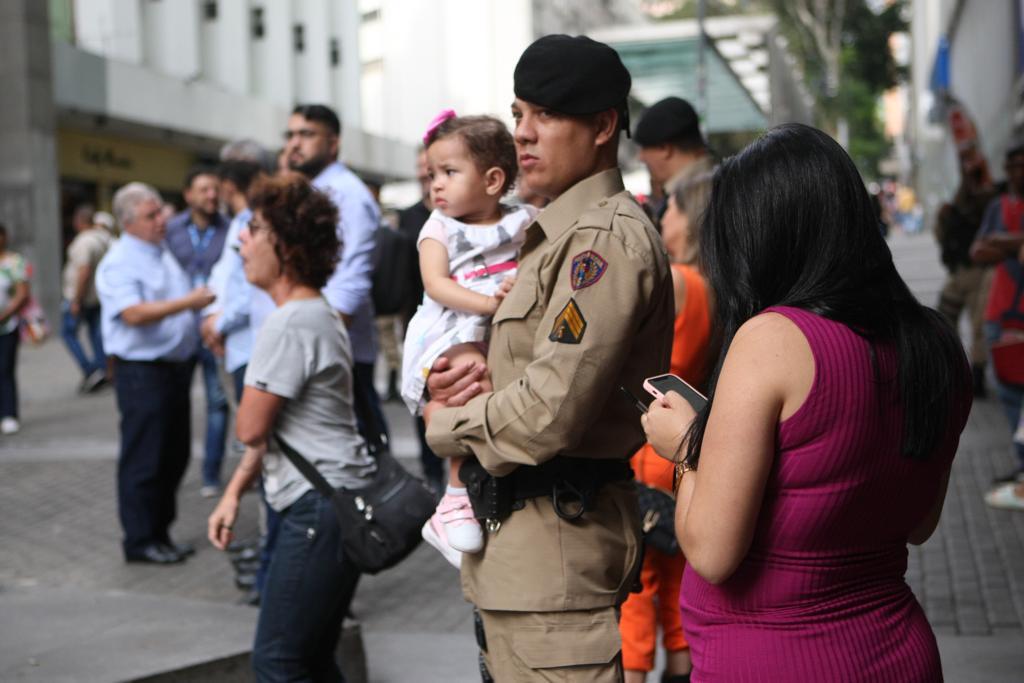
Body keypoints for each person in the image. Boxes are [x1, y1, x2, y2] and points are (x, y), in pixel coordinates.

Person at [640, 124, 971, 681]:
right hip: (898, 651)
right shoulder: (935, 343)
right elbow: (919, 523)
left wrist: (688, 451)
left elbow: (714, 554)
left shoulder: (772, 338)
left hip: (777, 659)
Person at [422, 35, 674, 681]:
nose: (523, 135)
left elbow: (549, 412)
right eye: (517, 114)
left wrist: (446, 421)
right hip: (526, 558)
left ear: (602, 126)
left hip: (557, 555)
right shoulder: (549, 235)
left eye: (546, 115)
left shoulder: (601, 241)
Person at [207, 173, 375, 680]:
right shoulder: (314, 313)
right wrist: (234, 491)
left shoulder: (289, 323)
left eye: (253, 229)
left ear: (284, 244)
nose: (241, 239)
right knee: (311, 657)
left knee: (278, 661)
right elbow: (283, 429)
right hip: (333, 501)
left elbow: (250, 428)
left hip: (316, 509)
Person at [401, 111, 531, 566]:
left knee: (497, 400)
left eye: (449, 173)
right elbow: (435, 284)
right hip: (451, 329)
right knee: (469, 389)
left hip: (499, 330)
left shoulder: (525, 222)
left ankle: (473, 493)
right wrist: (491, 305)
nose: (435, 184)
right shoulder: (438, 227)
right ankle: (454, 498)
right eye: (432, 174)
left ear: (494, 179)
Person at [620, 170, 715, 683]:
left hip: (651, 443)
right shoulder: (716, 286)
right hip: (687, 448)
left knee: (638, 589)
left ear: (690, 219)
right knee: (679, 589)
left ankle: (635, 674)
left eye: (671, 209)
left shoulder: (676, 280)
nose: (662, 218)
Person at [96, 182, 214, 564]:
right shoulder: (119, 261)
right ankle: (141, 539)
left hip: (173, 369)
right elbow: (132, 313)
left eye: (161, 211)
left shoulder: (158, 251)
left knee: (172, 455)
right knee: (145, 457)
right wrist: (189, 303)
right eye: (151, 215)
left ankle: (160, 531)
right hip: (142, 372)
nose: (162, 220)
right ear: (129, 222)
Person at [282, 103, 387, 441]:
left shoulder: (348, 195)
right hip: (310, 341)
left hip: (338, 349)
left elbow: (351, 277)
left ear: (333, 143)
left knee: (359, 456)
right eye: (291, 134)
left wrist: (316, 335)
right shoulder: (309, 191)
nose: (295, 143)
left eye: (307, 134)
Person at [166, 166, 231, 497]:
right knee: (175, 404)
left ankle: (210, 474)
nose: (211, 196)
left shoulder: (230, 229)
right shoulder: (169, 229)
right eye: (204, 189)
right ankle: (170, 470)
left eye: (215, 189)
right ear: (188, 194)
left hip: (213, 330)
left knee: (217, 402)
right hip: (178, 330)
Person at [972, 144, 1024, 503]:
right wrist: (1015, 244)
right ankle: (1022, 464)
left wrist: (1001, 243)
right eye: (1013, 165)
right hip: (1000, 314)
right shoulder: (997, 207)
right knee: (1008, 394)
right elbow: (978, 252)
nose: (1018, 171)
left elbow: (991, 248)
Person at [398, 148, 445, 494]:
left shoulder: (461, 214)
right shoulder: (410, 216)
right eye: (418, 168)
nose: (422, 175)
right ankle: (432, 472)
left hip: (455, 319)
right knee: (422, 396)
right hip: (419, 319)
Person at [936, 144, 996, 398]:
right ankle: (952, 366)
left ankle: (978, 375)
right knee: (945, 315)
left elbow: (979, 203)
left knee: (978, 324)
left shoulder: (987, 196)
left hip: (978, 272)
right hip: (959, 270)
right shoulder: (963, 197)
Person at [633, 97, 713, 220]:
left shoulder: (693, 200)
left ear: (664, 148)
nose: (641, 157)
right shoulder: (712, 184)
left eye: (644, 148)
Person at [61, 204, 113, 393]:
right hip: (97, 297)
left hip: (82, 297)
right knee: (95, 334)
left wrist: (76, 300)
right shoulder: (104, 239)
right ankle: (103, 370)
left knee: (68, 333)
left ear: (80, 221)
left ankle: (91, 370)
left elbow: (84, 271)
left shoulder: (84, 241)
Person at [0, 222, 29, 435]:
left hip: (7, 325)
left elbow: (22, 293)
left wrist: (5, 315)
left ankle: (9, 413)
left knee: (5, 369)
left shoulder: (14, 262)